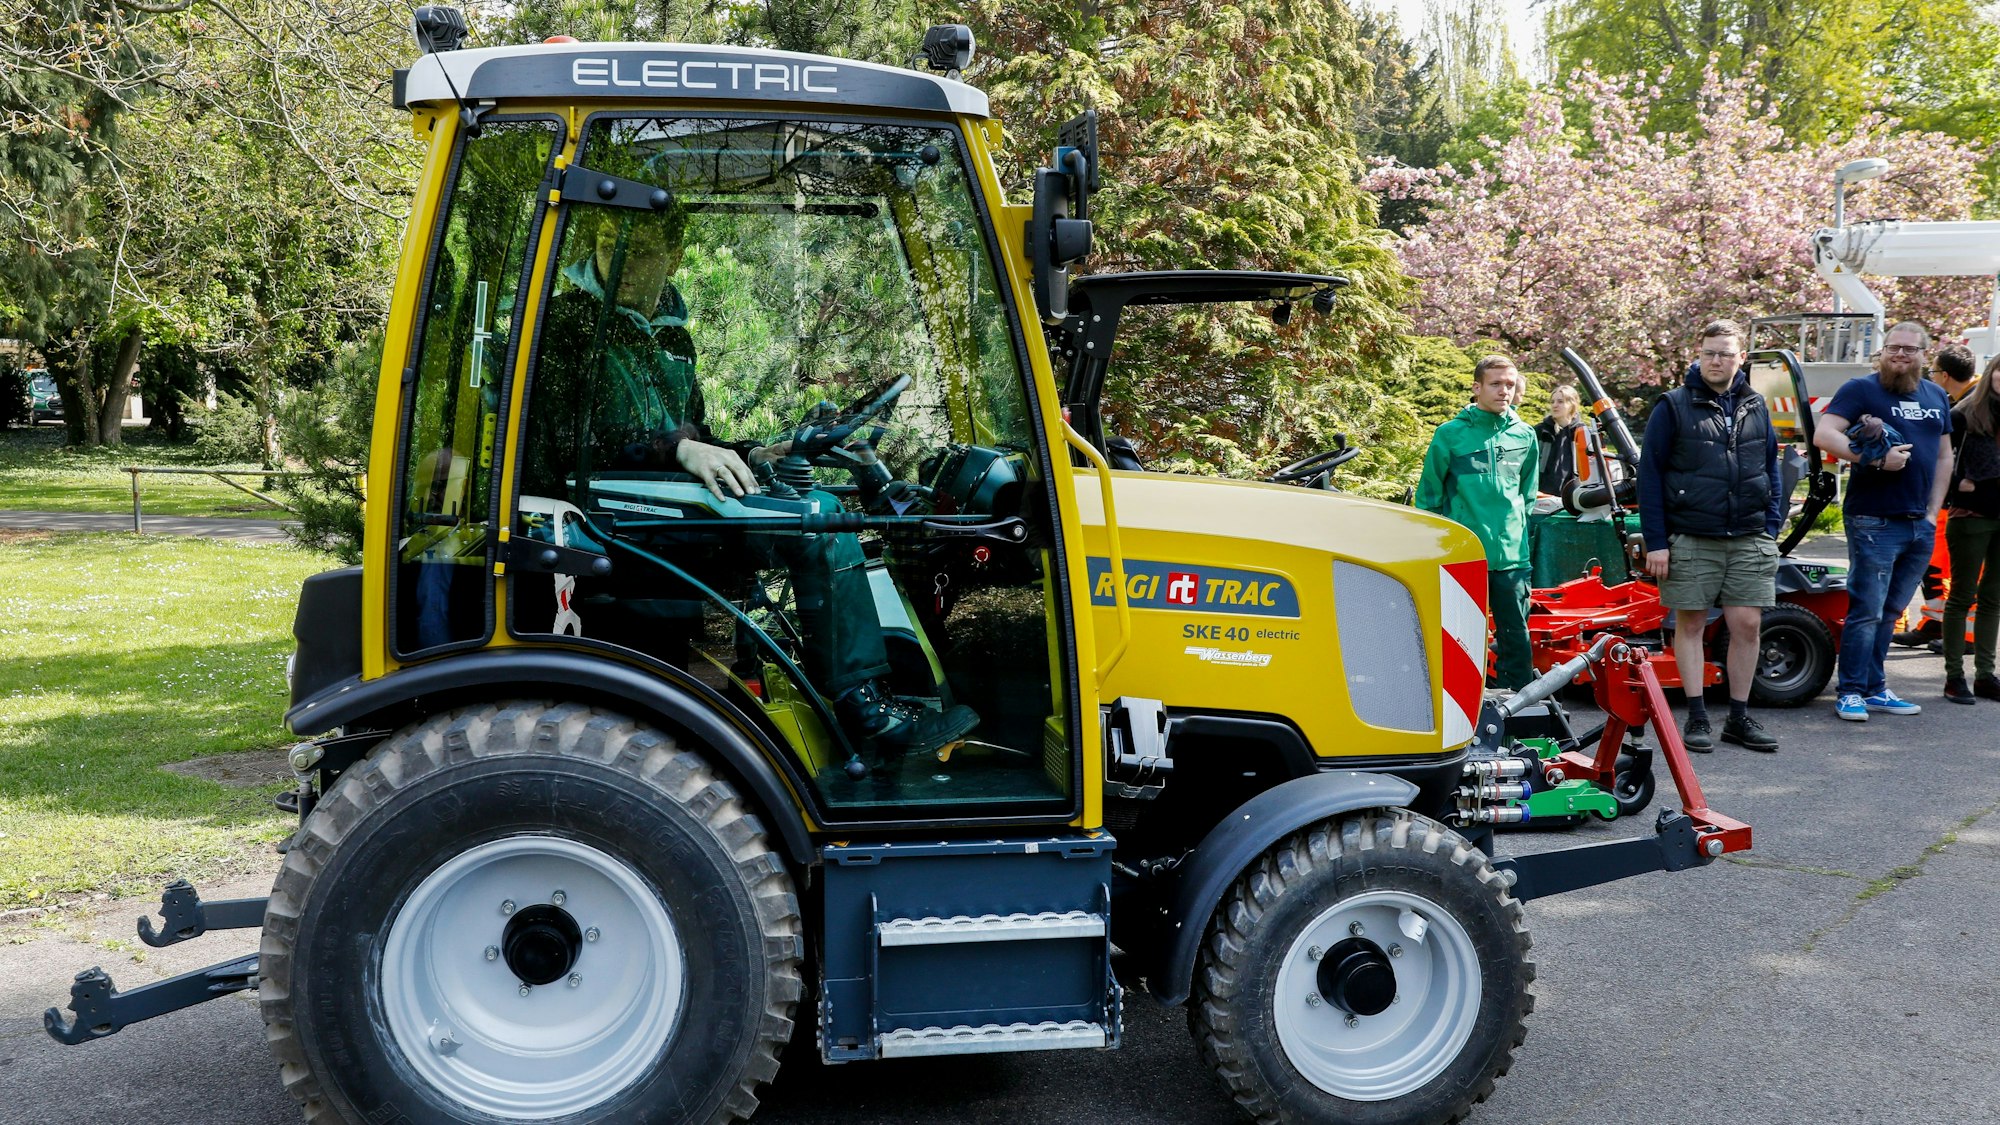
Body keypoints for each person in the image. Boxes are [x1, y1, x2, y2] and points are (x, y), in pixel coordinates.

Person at [524, 207, 979, 760]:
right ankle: (865, 707)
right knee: (817, 524)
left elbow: (691, 436)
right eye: (606, 241)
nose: (618, 261)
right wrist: (681, 450)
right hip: (608, 516)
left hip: (662, 498)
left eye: (640, 250)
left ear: (672, 258)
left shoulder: (669, 337)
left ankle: (837, 685)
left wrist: (755, 454)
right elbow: (579, 440)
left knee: (821, 502)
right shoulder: (569, 326)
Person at [1635, 319, 1783, 752]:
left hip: (1749, 535)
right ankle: (1697, 715)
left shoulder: (1756, 405)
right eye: (1708, 353)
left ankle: (1738, 717)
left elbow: (1769, 466)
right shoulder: (1674, 405)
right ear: (1698, 356)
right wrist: (1657, 541)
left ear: (1741, 358)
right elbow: (1650, 475)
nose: (1716, 360)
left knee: (1748, 624)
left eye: (1724, 353)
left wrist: (1771, 525)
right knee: (1692, 623)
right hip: (1691, 535)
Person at [1812, 321, 1956, 721]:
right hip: (1873, 520)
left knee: (1891, 612)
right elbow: (1825, 434)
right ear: (1882, 351)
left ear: (1924, 355)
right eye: (1893, 347)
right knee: (1867, 610)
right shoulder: (1861, 389)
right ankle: (1851, 691)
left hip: (1918, 524)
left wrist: (1932, 512)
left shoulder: (1936, 396)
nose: (1900, 355)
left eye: (1910, 349)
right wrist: (1873, 459)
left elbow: (1945, 457)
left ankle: (1875, 688)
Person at [1417, 355, 1540, 690]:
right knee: (1462, 639)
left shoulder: (1525, 436)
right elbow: (1428, 496)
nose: (1504, 390)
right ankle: (1463, 715)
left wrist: (1517, 538)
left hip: (1512, 558)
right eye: (1496, 384)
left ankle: (1519, 717)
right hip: (1464, 555)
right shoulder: (1450, 435)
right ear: (1477, 388)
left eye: (1510, 384)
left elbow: (1527, 497)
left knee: (1516, 638)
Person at [1896, 343, 1980, 649]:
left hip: (1973, 504)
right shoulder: (1964, 401)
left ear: (1943, 375)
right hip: (1952, 501)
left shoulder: (1975, 404)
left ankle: (1968, 636)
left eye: (1932, 371)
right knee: (1932, 563)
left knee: (1965, 570)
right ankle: (1934, 621)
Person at [1942, 353, 2000, 703]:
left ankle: (1985, 674)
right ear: (1992, 373)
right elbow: (1937, 458)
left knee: (1994, 598)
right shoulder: (1964, 414)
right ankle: (1954, 677)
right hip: (1971, 517)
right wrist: (1956, 485)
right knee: (1963, 596)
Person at [1535, 383, 1584, 494]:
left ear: (1572, 404)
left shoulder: (1583, 432)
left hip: (1575, 495)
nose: (1554, 405)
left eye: (1560, 402)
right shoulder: (1540, 431)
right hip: (1542, 496)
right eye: (1552, 402)